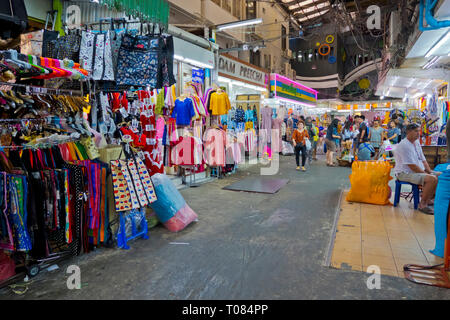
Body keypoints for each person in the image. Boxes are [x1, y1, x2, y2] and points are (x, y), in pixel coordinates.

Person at [393, 123, 441, 215]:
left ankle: (428, 199)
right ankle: (422, 205)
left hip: (415, 171)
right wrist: (426, 174)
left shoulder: (417, 142)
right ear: (408, 132)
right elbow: (412, 166)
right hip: (404, 173)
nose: (418, 133)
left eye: (419, 131)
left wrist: (430, 171)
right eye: (416, 131)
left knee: (440, 175)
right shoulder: (404, 145)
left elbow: (423, 159)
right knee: (431, 179)